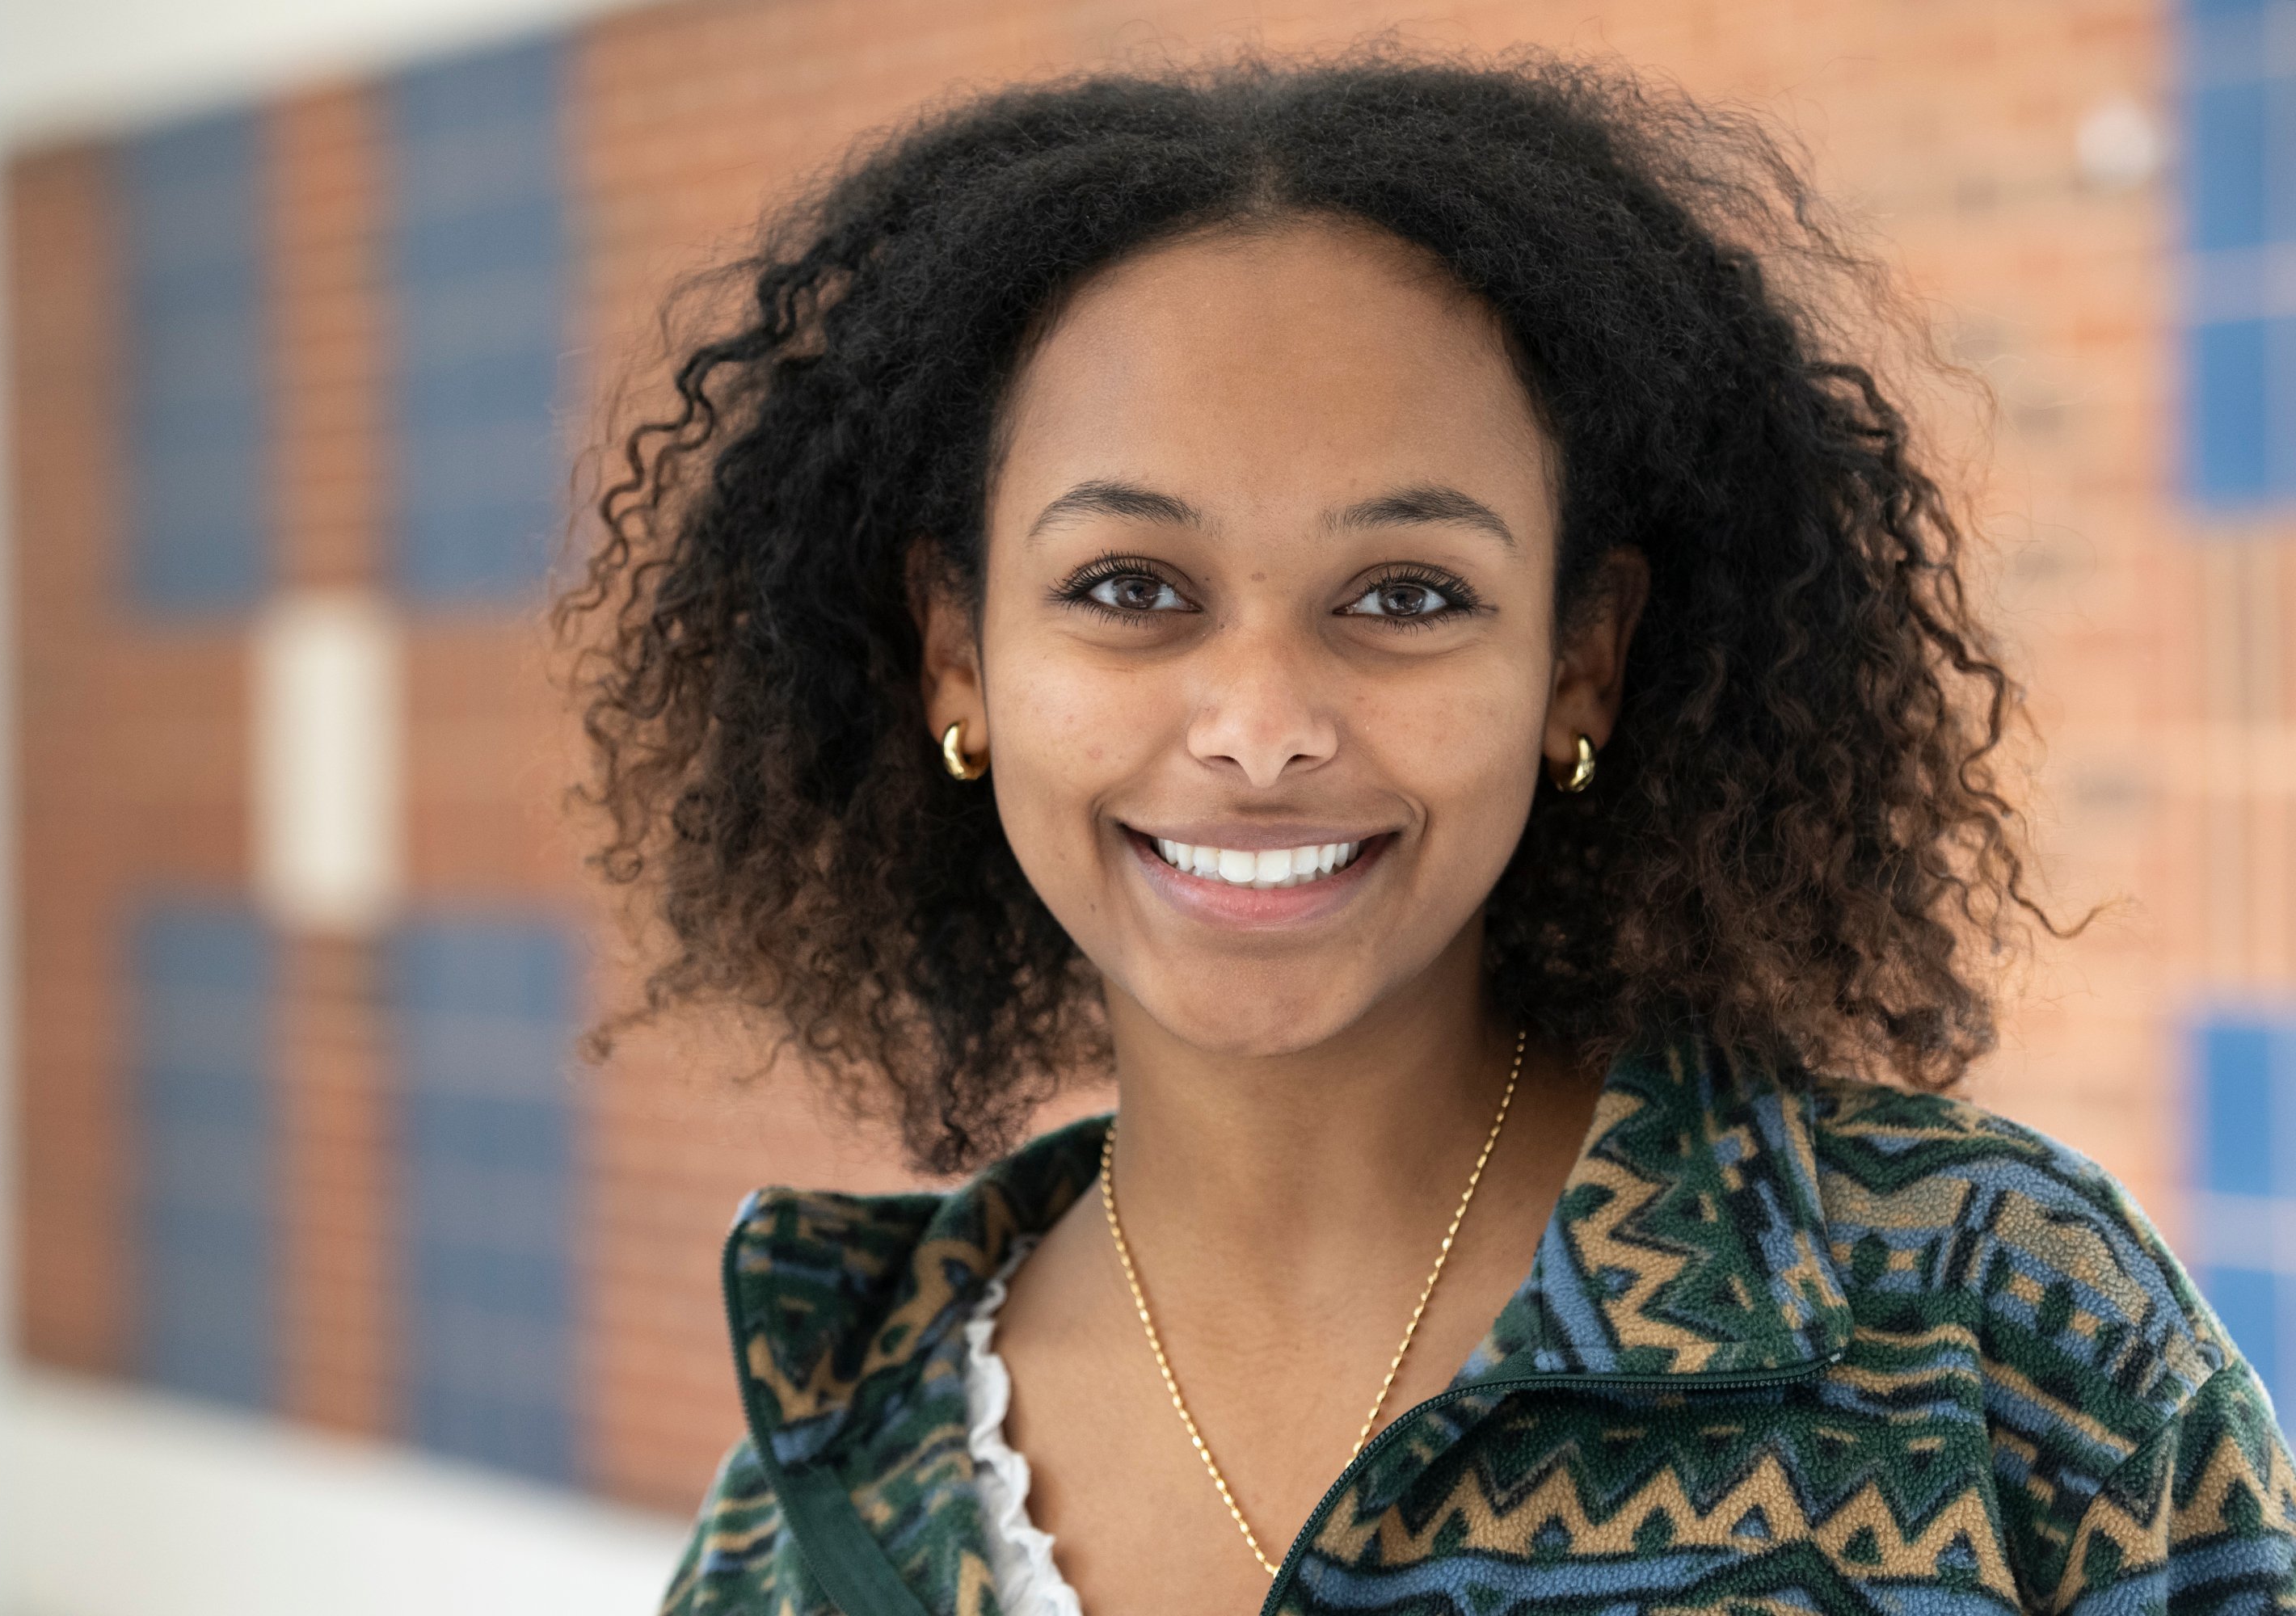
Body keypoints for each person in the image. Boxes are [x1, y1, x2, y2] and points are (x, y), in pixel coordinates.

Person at [563, 52, 2296, 1616]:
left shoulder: (1987, 1328)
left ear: (1580, 663)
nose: (1259, 724)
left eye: (1405, 592)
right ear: (964, 654)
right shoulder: (816, 1508)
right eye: (1128, 587)